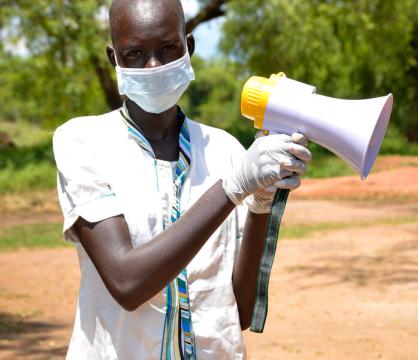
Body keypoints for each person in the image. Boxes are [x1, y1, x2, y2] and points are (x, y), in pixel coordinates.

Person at [52, 0, 312, 359]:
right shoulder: (83, 142)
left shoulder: (224, 149)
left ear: (188, 47)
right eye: (135, 53)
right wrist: (232, 187)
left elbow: (240, 312)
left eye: (167, 48)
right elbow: (127, 283)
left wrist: (260, 205)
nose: (153, 65)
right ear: (115, 59)